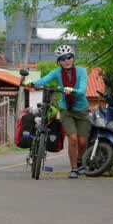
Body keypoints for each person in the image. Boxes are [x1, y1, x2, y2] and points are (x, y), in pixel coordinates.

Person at [27, 44, 91, 178]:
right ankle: (74, 169)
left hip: (82, 109)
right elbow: (45, 79)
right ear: (59, 61)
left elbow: (82, 89)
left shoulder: (82, 71)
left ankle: (80, 161)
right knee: (73, 139)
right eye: (62, 58)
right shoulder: (57, 72)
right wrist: (33, 83)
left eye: (69, 57)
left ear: (73, 58)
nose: (66, 60)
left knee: (83, 141)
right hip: (66, 109)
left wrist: (72, 90)